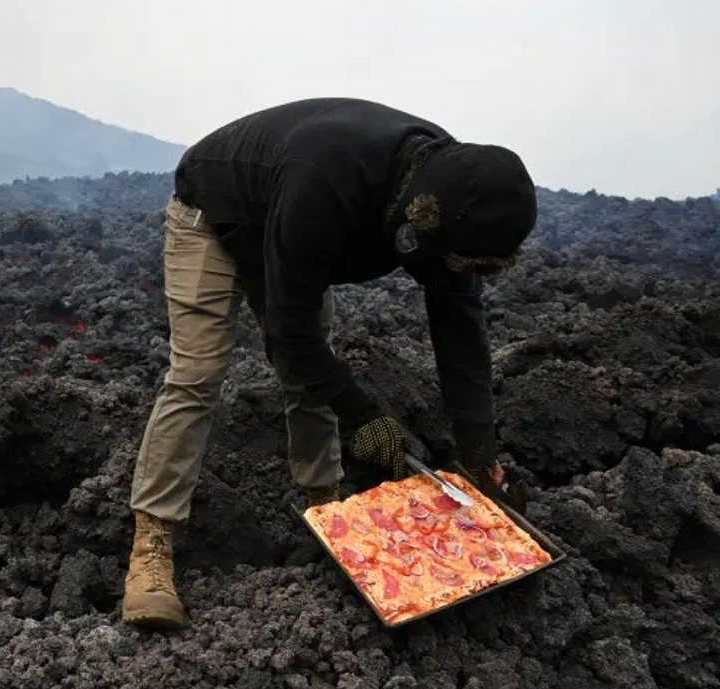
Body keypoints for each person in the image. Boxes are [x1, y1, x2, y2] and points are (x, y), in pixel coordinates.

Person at [122, 98, 538, 630]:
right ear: (419, 216)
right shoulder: (329, 185)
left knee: (311, 381)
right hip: (218, 213)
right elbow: (289, 335)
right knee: (198, 374)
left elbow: (461, 338)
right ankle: (151, 547)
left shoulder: (461, 198)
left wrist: (479, 460)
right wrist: (365, 417)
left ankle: (325, 511)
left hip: (292, 225)